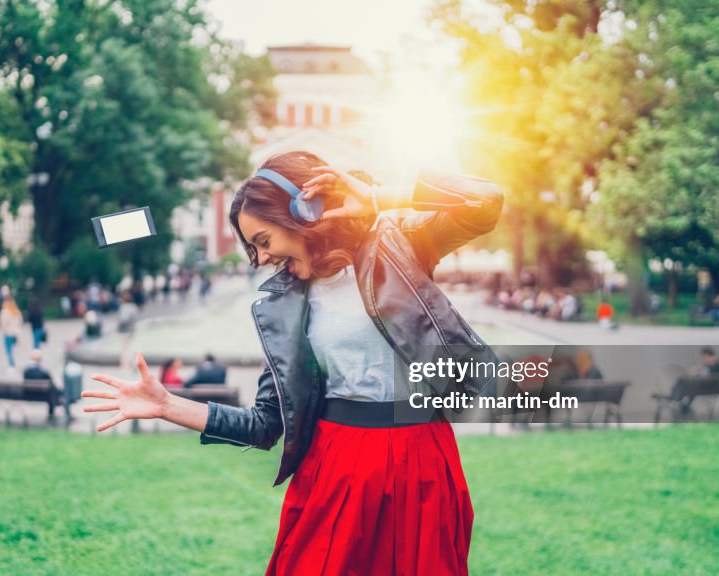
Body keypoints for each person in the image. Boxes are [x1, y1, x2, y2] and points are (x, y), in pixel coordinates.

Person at [81, 151, 503, 574]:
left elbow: (485, 202)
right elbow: (265, 425)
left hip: (421, 459)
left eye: (263, 241)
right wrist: (168, 405)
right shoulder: (287, 306)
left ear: (306, 212)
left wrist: (379, 198)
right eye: (253, 249)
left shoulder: (399, 245)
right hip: (336, 465)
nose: (261, 259)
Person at [23, 349, 59, 419]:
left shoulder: (26, 371)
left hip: (29, 394)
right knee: (54, 390)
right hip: (43, 395)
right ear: (40, 359)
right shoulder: (43, 372)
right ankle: (51, 414)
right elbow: (51, 381)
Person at [0, 293, 23, 369]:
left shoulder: (5, 311)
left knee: (9, 350)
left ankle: (11, 365)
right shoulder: (16, 310)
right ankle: (13, 363)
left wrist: (2, 329)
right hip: (16, 333)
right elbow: (20, 321)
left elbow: (3, 323)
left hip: (8, 333)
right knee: (12, 350)